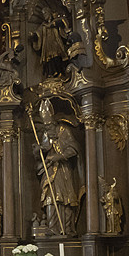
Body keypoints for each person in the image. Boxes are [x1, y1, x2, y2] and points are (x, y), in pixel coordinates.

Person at [32, 99, 81, 236]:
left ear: (54, 122)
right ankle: (53, 229)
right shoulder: (47, 133)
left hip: (63, 171)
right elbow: (44, 149)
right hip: (50, 172)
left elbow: (73, 149)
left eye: (49, 126)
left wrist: (57, 157)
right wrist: (39, 150)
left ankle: (67, 229)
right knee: (50, 200)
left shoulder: (63, 130)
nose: (48, 130)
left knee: (65, 199)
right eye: (46, 127)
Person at [31, 7, 70, 77]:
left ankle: (60, 72)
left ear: (49, 13)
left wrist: (53, 24)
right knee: (48, 61)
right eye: (43, 14)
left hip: (56, 44)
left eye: (45, 13)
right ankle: (51, 74)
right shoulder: (43, 25)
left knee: (57, 57)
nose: (44, 15)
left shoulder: (56, 21)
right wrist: (34, 36)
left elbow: (64, 23)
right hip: (47, 46)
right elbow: (38, 33)